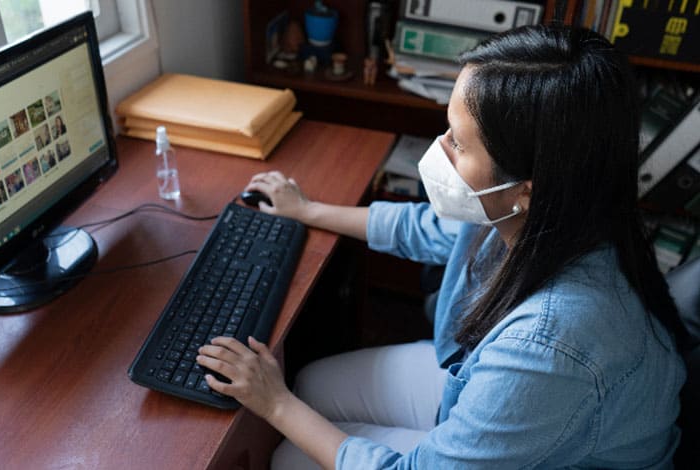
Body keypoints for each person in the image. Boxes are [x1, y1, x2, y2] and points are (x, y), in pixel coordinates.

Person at [197, 24, 688, 469]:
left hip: (536, 410)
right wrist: (307, 210)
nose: (440, 147)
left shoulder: (553, 345)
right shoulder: (557, 212)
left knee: (288, 456)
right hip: (502, 393)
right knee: (310, 383)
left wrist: (275, 403)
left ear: (527, 187)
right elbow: (427, 229)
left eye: (459, 142)